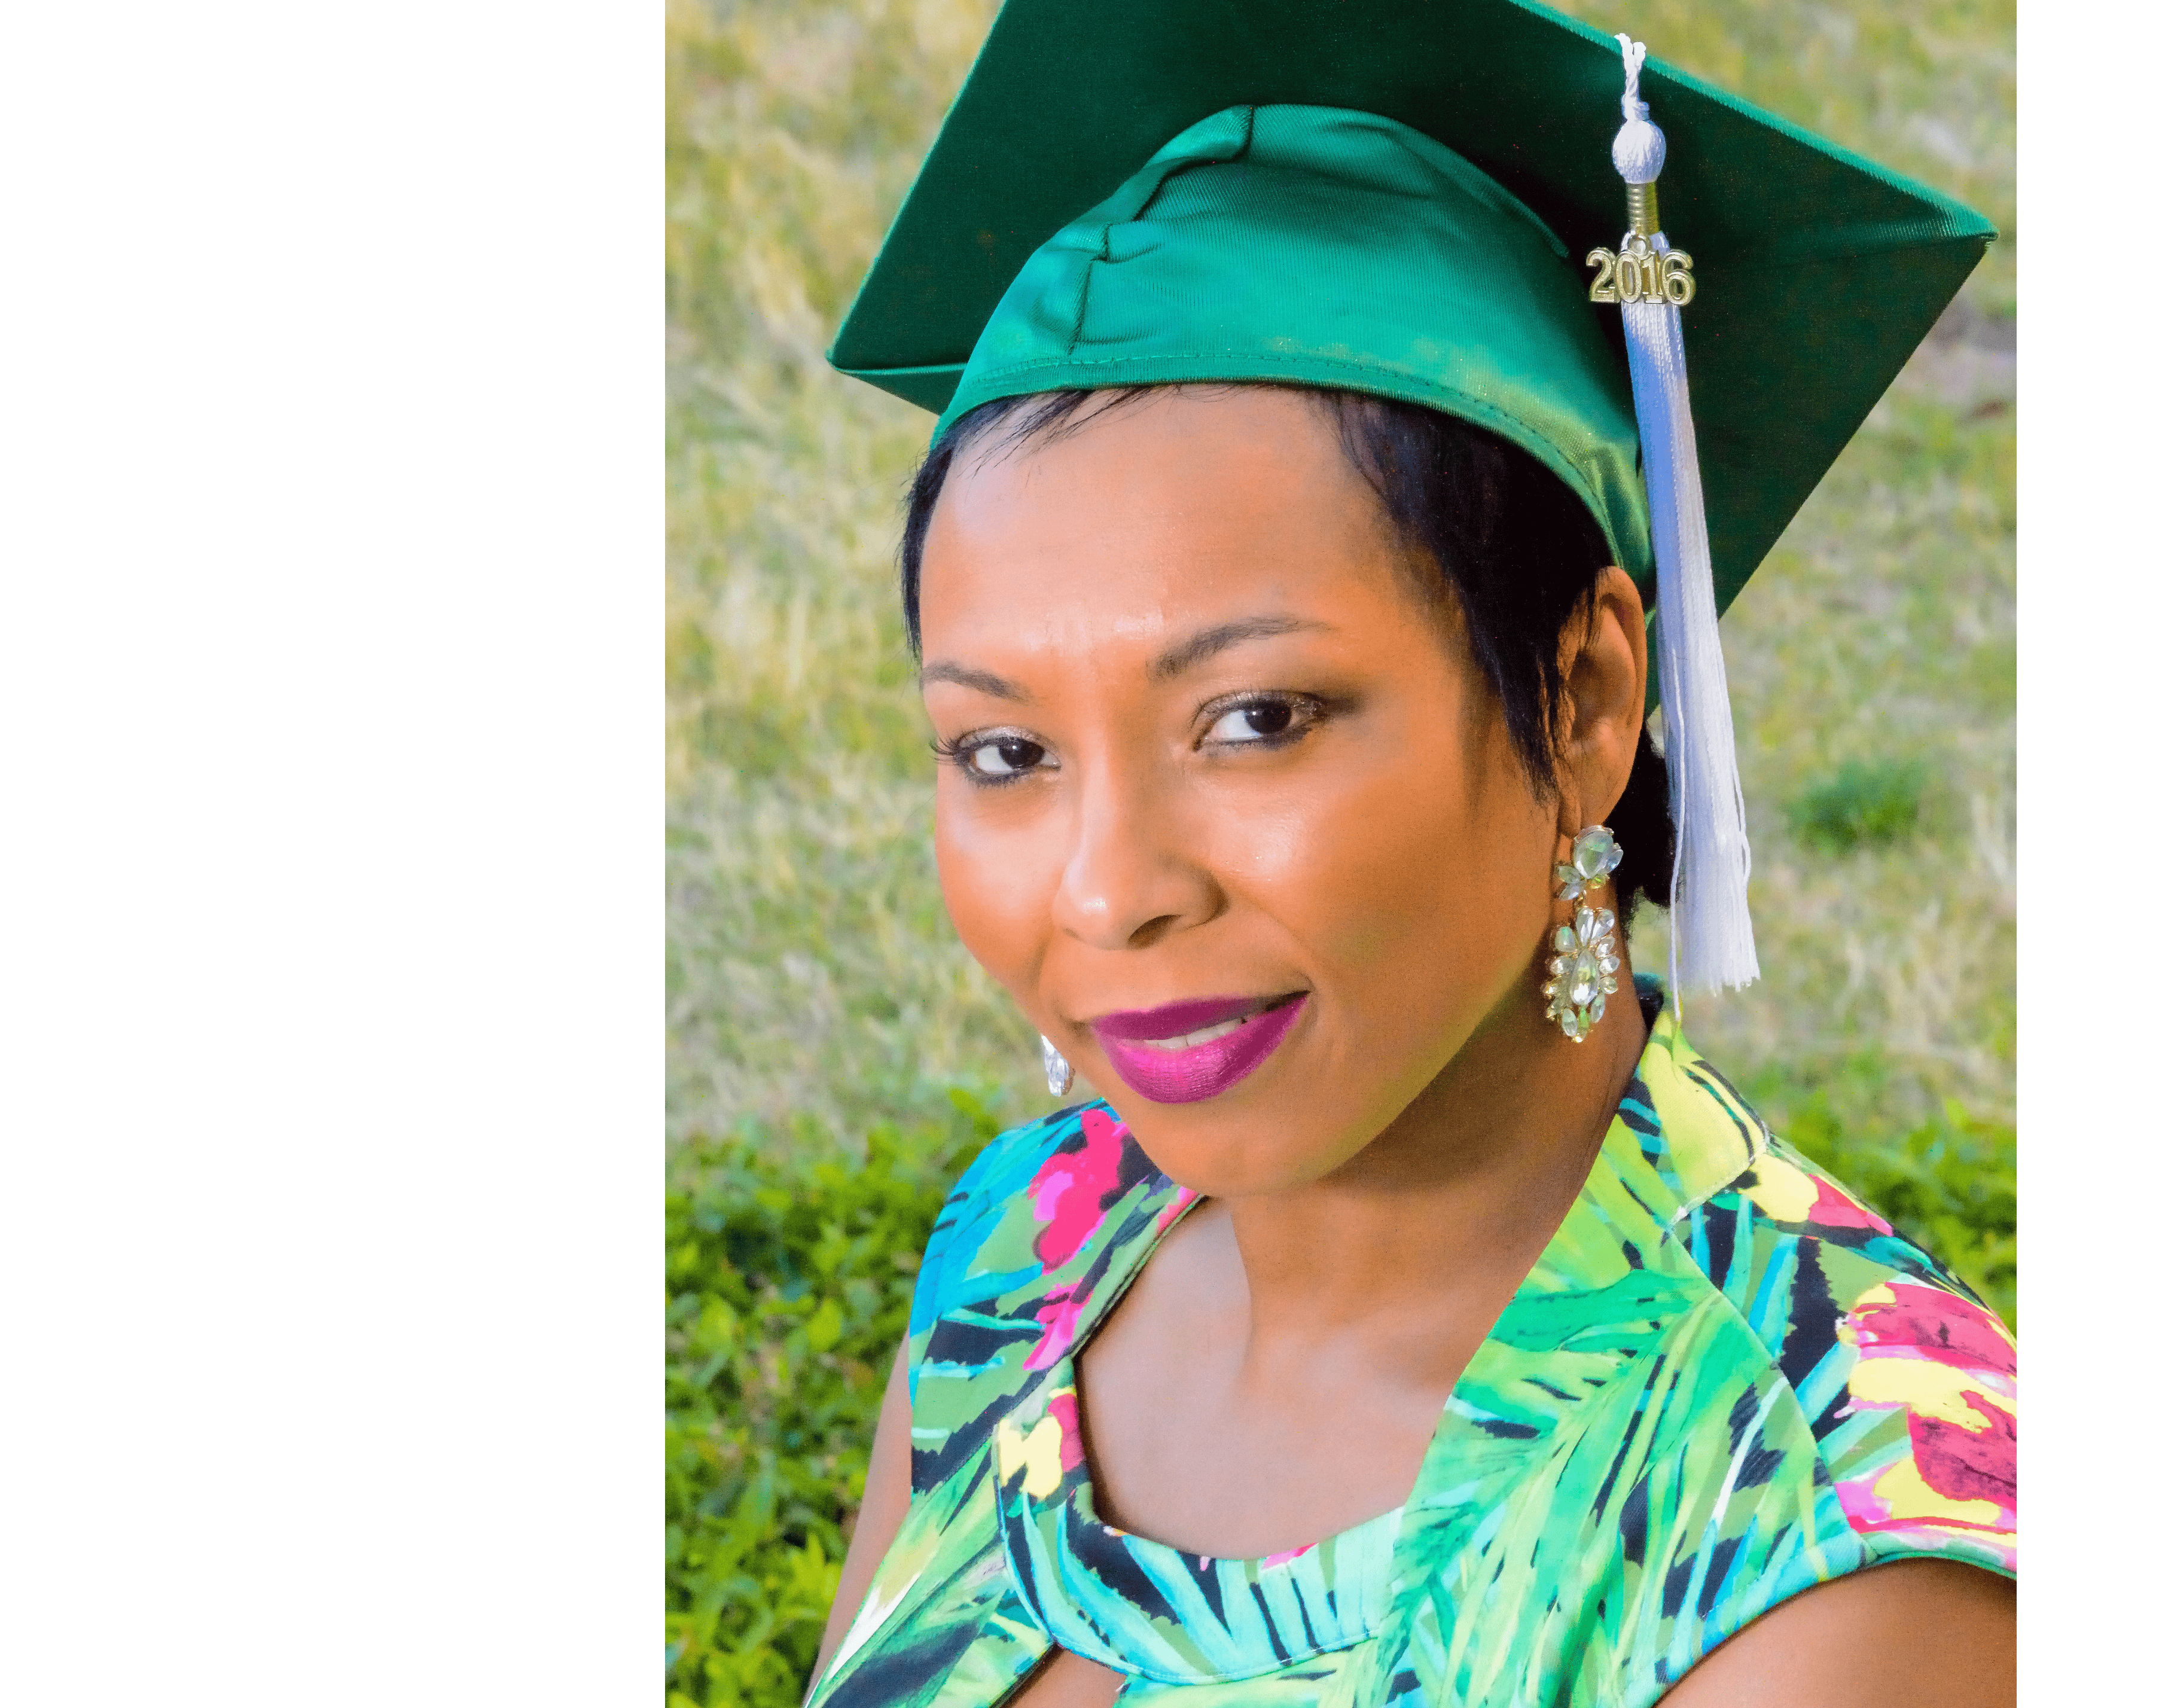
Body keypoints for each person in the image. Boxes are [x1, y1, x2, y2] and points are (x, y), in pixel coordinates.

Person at [801, 2, 2012, 1703]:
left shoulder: (1818, 1549)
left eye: (1257, 719)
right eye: (1005, 751)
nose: (1107, 888)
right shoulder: (1030, 1254)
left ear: (1586, 697)